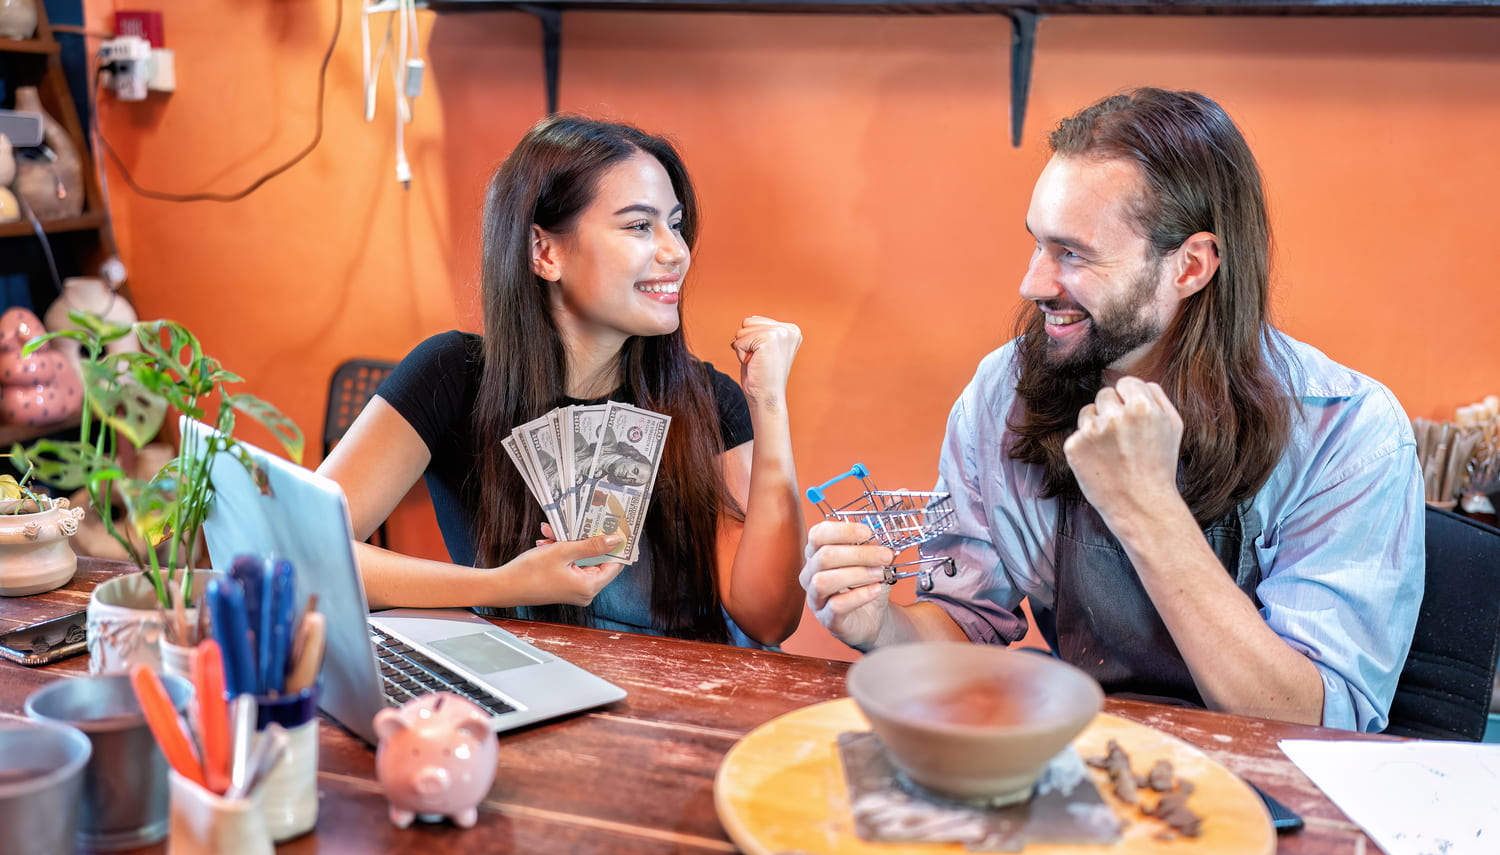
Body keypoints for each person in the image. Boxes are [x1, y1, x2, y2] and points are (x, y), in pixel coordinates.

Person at [801, 88, 1423, 731]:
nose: (1034, 283)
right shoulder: (1004, 392)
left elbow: (1320, 720)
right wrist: (881, 626)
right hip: (1088, 758)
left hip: (1265, 795)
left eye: (1073, 254)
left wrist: (1146, 507)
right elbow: (967, 625)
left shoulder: (1349, 432)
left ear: (1189, 267)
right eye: (1038, 245)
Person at [321, 115, 806, 647]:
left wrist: (770, 405)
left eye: (676, 223)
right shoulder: (452, 376)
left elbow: (769, 619)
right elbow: (305, 549)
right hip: (524, 691)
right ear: (545, 252)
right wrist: (501, 585)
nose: (676, 252)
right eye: (640, 226)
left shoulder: (710, 400)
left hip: (679, 704)